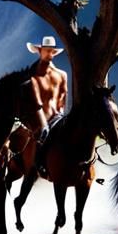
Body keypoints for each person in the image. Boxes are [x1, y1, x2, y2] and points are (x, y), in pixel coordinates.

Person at [25, 35, 68, 173]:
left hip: (54, 116)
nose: (49, 53)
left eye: (51, 51)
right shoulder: (31, 72)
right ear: (40, 51)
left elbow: (63, 97)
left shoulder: (61, 75)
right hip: (34, 116)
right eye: (46, 50)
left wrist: (61, 112)